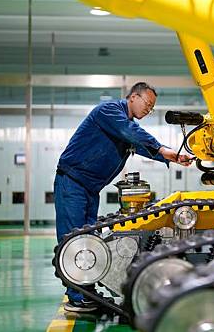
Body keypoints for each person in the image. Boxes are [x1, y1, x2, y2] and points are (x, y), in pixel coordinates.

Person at [54, 82, 191, 312]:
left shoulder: (124, 125)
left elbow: (140, 144)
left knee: (90, 240)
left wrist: (172, 157)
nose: (148, 110)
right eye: (147, 104)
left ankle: (86, 291)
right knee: (73, 240)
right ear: (133, 97)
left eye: (151, 107)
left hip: (90, 188)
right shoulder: (109, 111)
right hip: (72, 183)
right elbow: (131, 133)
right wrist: (164, 149)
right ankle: (76, 296)